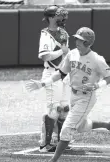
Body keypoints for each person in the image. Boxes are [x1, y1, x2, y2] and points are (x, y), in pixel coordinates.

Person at [25, 27, 110, 162]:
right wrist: (43, 83)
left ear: (88, 42)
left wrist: (97, 85)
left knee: (67, 129)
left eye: (80, 40)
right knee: (81, 127)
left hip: (86, 98)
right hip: (73, 95)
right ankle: (109, 124)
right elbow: (60, 73)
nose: (76, 41)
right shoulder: (72, 54)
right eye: (76, 38)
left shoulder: (97, 60)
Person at [37, 5, 71, 152]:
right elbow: (45, 56)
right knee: (53, 110)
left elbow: (66, 55)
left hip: (64, 75)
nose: (62, 18)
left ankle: (62, 141)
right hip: (51, 73)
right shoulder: (45, 35)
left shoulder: (64, 33)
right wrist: (61, 52)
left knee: (64, 109)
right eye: (58, 15)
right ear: (51, 18)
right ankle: (45, 143)